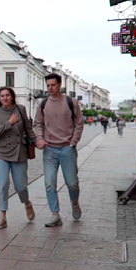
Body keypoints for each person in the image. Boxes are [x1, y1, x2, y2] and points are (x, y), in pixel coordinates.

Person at [35, 73, 84, 227]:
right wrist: (40, 138)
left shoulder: (71, 102)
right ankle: (55, 214)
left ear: (60, 84)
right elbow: (38, 124)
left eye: (53, 85)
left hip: (67, 149)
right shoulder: (43, 104)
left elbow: (79, 123)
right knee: (49, 183)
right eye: (48, 85)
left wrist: (73, 142)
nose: (50, 88)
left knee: (72, 183)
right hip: (49, 149)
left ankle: (74, 202)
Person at [0, 87, 37, 229]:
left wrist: (36, 141)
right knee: (3, 184)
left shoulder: (21, 109)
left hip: (19, 151)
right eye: (2, 96)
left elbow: (28, 129)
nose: (4, 98)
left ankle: (27, 203)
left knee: (20, 185)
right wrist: (9, 123)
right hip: (2, 152)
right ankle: (3, 216)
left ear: (12, 97)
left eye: (7, 95)